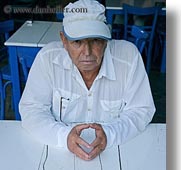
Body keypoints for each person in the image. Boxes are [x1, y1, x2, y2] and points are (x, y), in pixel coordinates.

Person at [19, 0, 156, 161]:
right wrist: (64, 137)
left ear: (106, 39)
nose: (87, 52)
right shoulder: (48, 58)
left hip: (117, 154)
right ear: (63, 40)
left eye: (96, 40)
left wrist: (111, 134)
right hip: (58, 155)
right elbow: (32, 110)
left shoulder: (128, 57)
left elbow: (141, 109)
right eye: (77, 42)